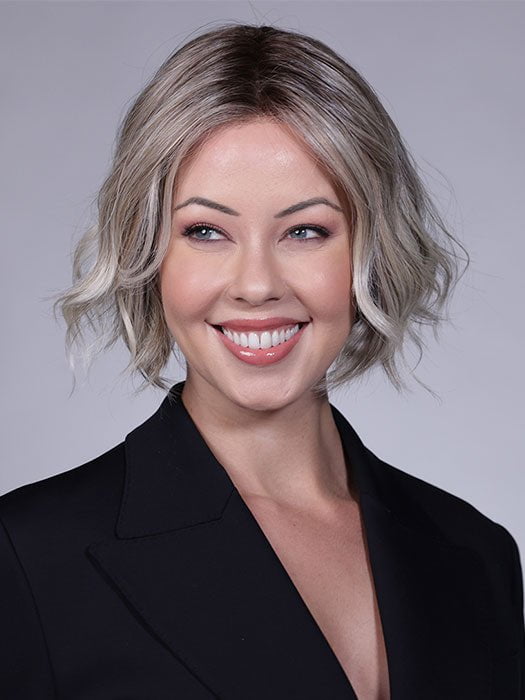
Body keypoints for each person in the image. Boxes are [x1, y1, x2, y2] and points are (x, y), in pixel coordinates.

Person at [0, 22, 523, 700]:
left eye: (304, 230)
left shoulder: (477, 553)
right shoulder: (28, 557)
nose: (256, 284)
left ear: (369, 250)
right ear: (148, 254)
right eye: (205, 231)